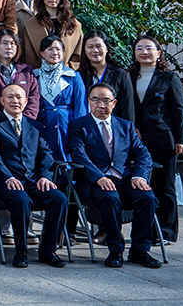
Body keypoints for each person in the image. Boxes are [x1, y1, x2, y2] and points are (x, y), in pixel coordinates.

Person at [67, 83, 161, 268]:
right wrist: (98, 177)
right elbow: (79, 155)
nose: (101, 105)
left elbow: (143, 154)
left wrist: (139, 176)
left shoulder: (126, 126)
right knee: (110, 198)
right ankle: (115, 250)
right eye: (95, 100)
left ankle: (140, 251)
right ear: (89, 101)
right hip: (94, 181)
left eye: (106, 100)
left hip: (124, 180)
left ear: (114, 103)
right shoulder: (78, 126)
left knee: (147, 197)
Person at [0, 83, 68, 268]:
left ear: (26, 101)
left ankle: (48, 251)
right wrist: (8, 177)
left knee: (59, 199)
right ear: (2, 100)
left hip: (33, 181)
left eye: (19, 97)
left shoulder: (35, 125)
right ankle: (21, 250)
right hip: (5, 183)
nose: (15, 101)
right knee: (21, 200)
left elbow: (46, 153)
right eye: (10, 97)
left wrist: (45, 176)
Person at [128, 35, 183, 243]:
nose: (144, 52)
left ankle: (166, 232)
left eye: (149, 48)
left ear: (158, 53)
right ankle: (148, 231)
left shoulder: (169, 77)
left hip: (164, 140)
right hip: (138, 140)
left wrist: (181, 139)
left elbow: (179, 110)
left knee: (165, 187)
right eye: (139, 48)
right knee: (144, 186)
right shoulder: (129, 76)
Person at [33, 36, 88, 163]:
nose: (55, 53)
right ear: (42, 53)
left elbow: (81, 106)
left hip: (67, 126)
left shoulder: (73, 76)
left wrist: (79, 131)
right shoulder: (34, 76)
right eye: (50, 49)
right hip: (43, 125)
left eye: (58, 49)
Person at [17, 0, 83, 69]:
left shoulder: (74, 24)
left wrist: (67, 70)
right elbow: (29, 57)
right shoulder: (31, 24)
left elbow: (78, 56)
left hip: (68, 74)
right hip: (39, 74)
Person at [80, 30, 135, 123]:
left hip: (113, 126)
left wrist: (128, 129)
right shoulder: (79, 75)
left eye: (99, 46)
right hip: (86, 127)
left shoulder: (120, 74)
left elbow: (128, 108)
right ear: (84, 51)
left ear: (107, 48)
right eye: (90, 47)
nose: (95, 50)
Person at [0, 29, 40, 119]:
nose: (9, 47)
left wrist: (24, 120)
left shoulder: (26, 71)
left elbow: (33, 99)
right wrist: (0, 121)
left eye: (13, 43)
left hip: (23, 123)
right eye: (4, 43)